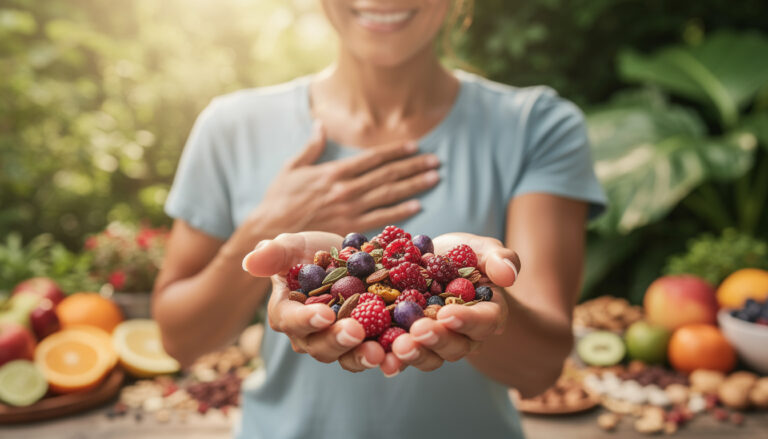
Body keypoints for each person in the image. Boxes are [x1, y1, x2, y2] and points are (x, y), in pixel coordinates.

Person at [152, 0, 606, 437]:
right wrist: (263, 229)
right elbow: (180, 342)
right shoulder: (231, 127)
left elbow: (541, 370)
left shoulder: (537, 126)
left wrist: (481, 312)